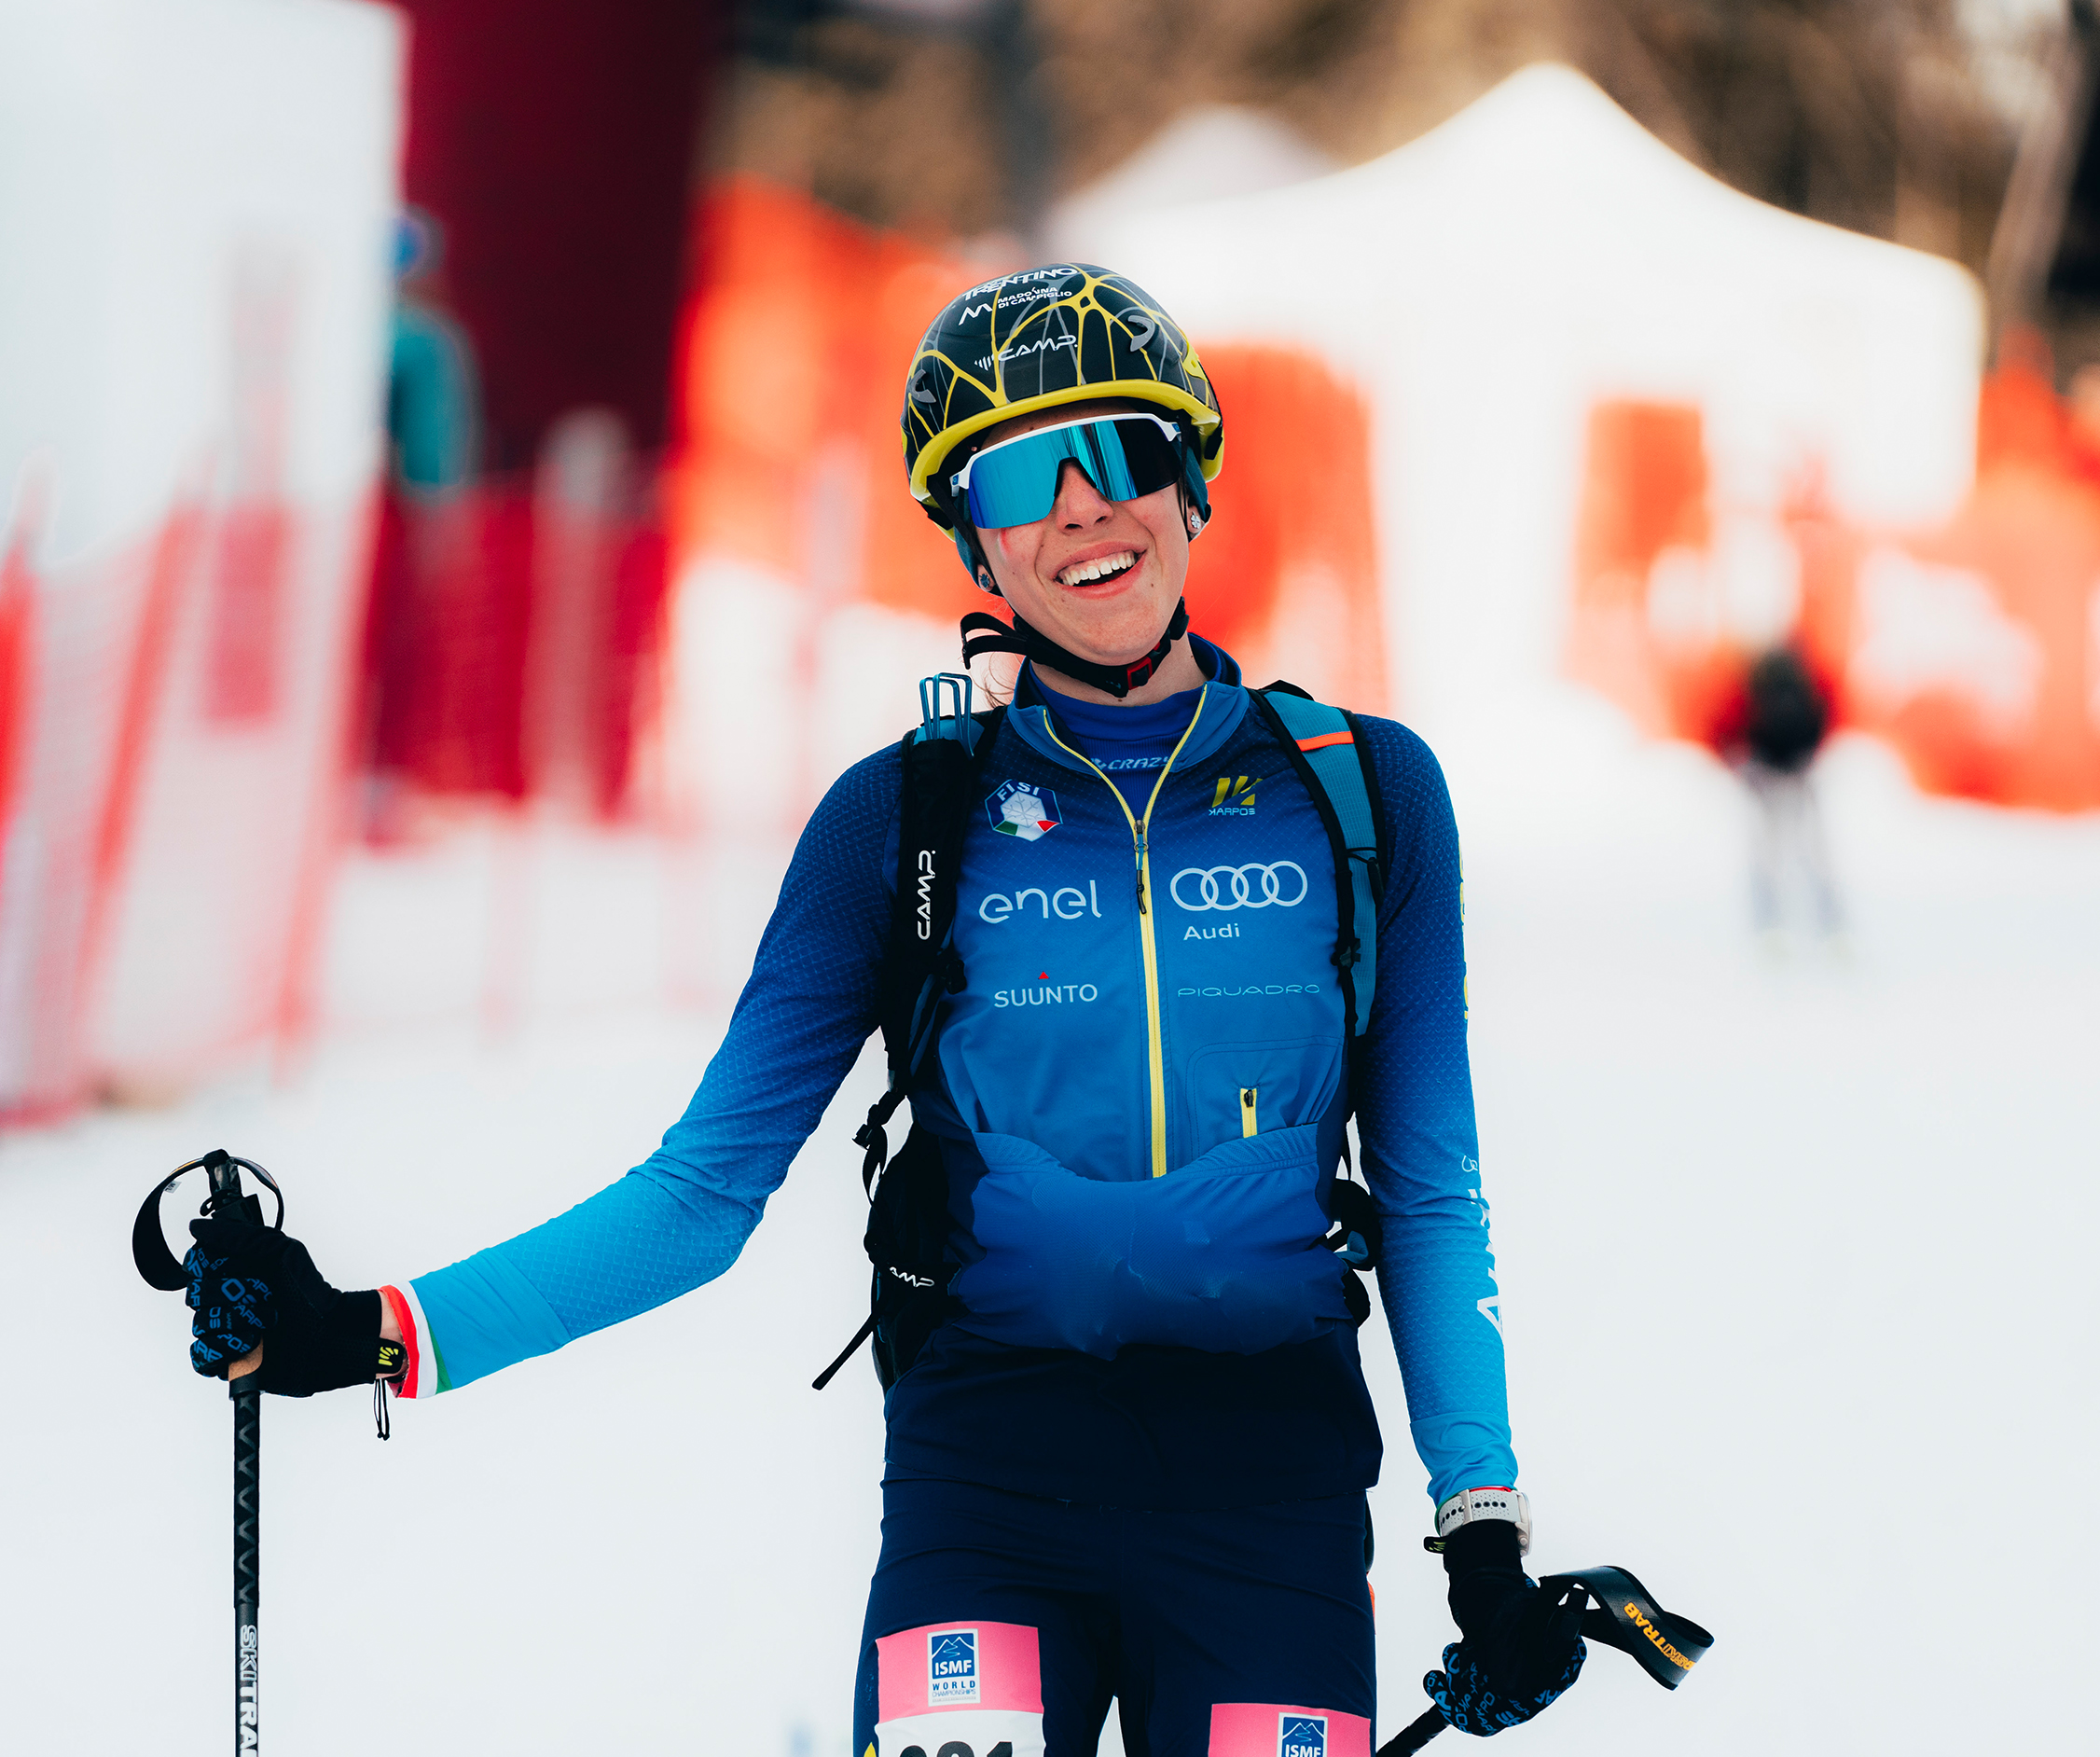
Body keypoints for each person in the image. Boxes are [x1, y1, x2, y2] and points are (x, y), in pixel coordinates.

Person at [180, 266, 1585, 1755]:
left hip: (1270, 1501)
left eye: (1121, 452)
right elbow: (700, 1194)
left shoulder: (1362, 792)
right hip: (989, 1489)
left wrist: (1482, 1534)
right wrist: (372, 1335)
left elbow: (1429, 1192)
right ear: (973, 540)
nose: (1082, 509)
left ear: (1194, 478)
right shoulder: (902, 823)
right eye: (1019, 479)